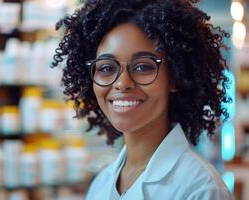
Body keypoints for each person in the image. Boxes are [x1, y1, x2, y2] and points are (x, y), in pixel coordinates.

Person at [52, 0, 233, 199]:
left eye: (142, 67)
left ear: (175, 77)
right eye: (106, 68)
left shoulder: (201, 189)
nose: (122, 83)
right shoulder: (100, 185)